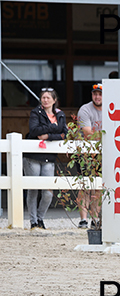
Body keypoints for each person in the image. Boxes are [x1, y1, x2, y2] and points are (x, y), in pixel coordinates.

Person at [23, 88, 68, 229]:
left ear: (54, 100)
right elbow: (34, 131)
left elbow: (64, 134)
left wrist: (48, 135)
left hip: (50, 156)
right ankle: (33, 221)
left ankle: (40, 218)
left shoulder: (60, 114)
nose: (46, 100)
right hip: (33, 156)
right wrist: (54, 127)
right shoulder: (35, 112)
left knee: (48, 192)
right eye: (43, 97)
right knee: (33, 190)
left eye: (48, 97)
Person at [76, 83, 103, 228]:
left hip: (102, 154)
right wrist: (105, 135)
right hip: (86, 153)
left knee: (98, 187)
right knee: (85, 186)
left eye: (100, 94)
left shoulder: (110, 109)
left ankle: (95, 218)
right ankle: (83, 219)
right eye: (95, 94)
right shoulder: (85, 109)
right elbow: (87, 133)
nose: (97, 97)